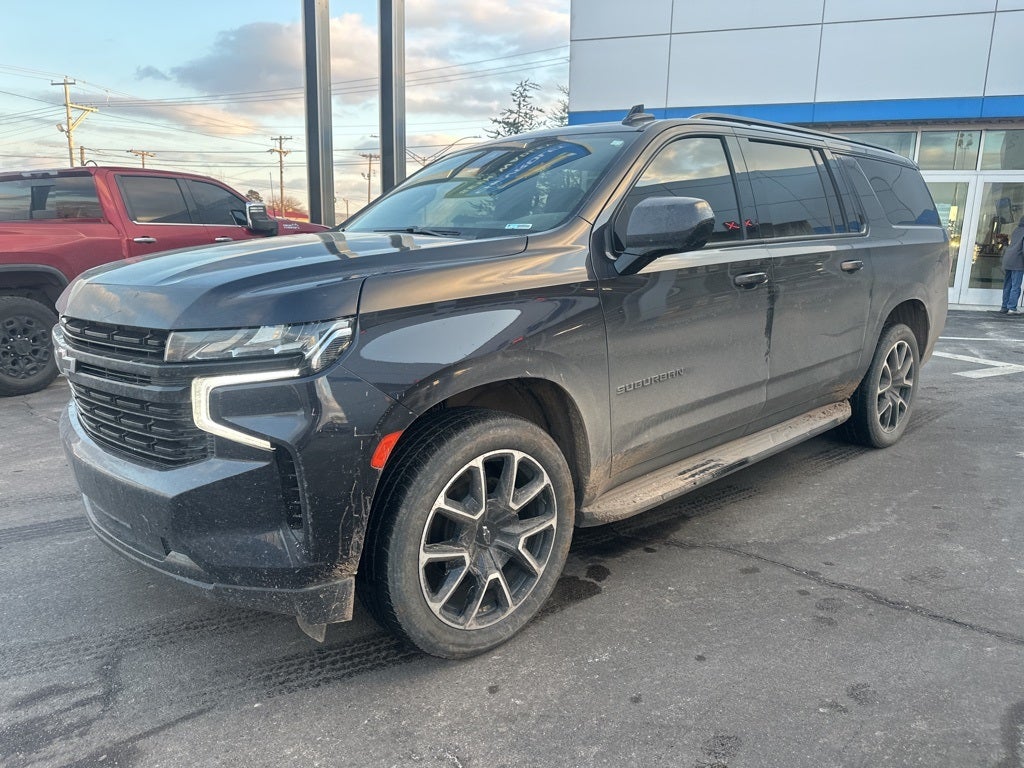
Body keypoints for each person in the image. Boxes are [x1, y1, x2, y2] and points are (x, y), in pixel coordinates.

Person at [999, 216, 1024, 314]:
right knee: (1015, 286)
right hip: (1018, 261)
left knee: (1007, 284)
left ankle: (1004, 306)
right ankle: (1012, 308)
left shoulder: (1016, 230)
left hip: (1008, 259)